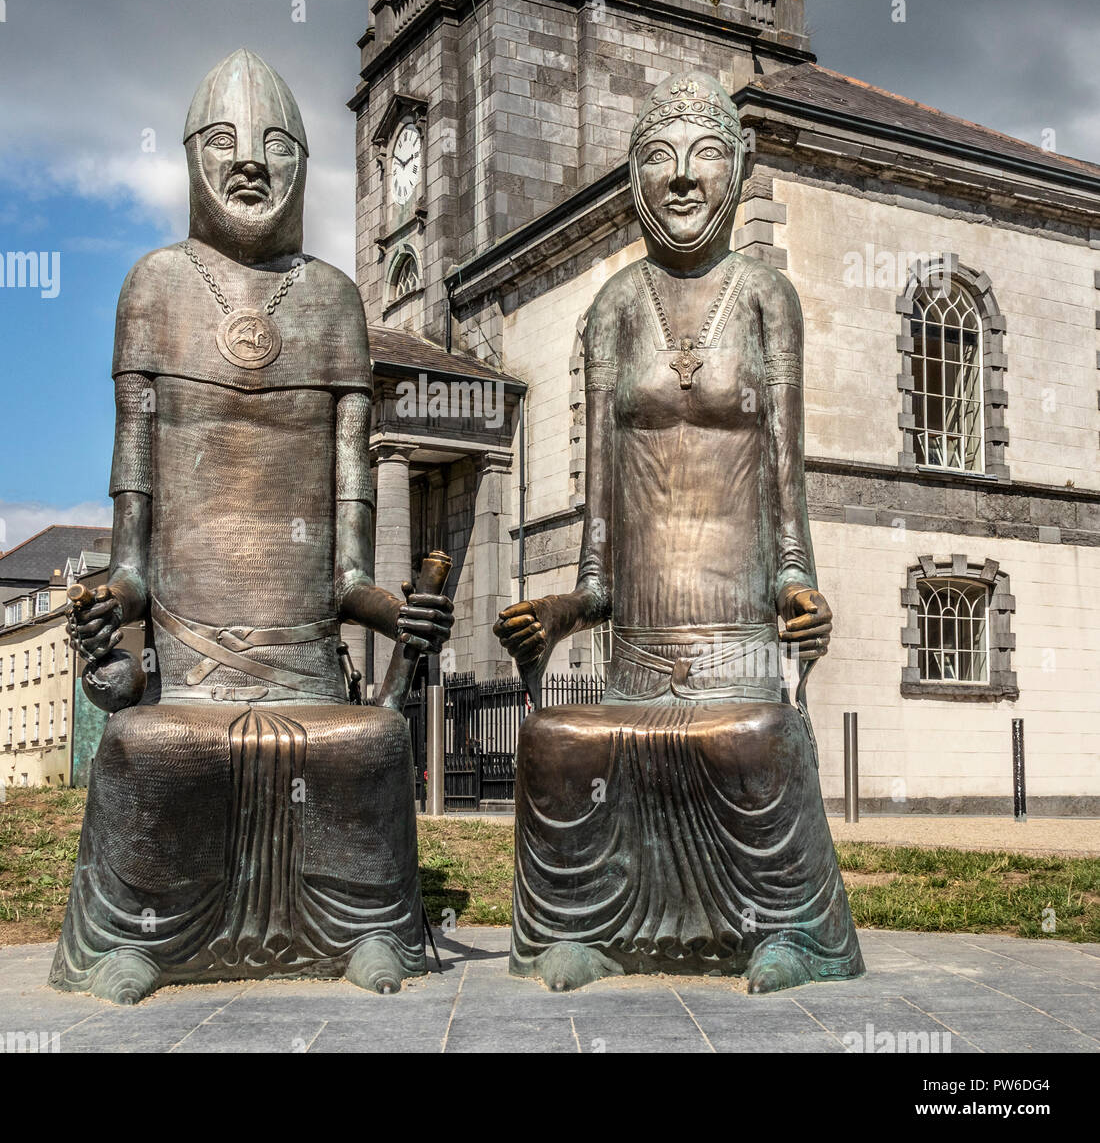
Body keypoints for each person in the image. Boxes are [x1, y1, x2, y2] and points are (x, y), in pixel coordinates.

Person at [50, 50, 453, 1004]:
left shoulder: (334, 304)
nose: (250, 165)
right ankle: (145, 934)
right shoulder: (153, 289)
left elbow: (353, 559)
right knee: (157, 747)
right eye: (224, 144)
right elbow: (132, 528)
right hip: (191, 668)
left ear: (305, 166)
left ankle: (362, 926)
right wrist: (110, 606)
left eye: (277, 146)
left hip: (307, 665)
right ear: (191, 157)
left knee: (360, 742)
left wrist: (395, 611)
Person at [496, 72, 864, 995]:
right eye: (658, 160)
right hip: (635, 660)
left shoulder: (766, 298)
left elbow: (787, 490)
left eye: (705, 158)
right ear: (634, 182)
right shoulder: (615, 309)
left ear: (736, 174)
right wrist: (560, 608)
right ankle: (587, 926)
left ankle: (787, 931)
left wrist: (798, 591)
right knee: (560, 740)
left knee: (749, 734)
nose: (684, 180)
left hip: (736, 650)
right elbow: (596, 547)